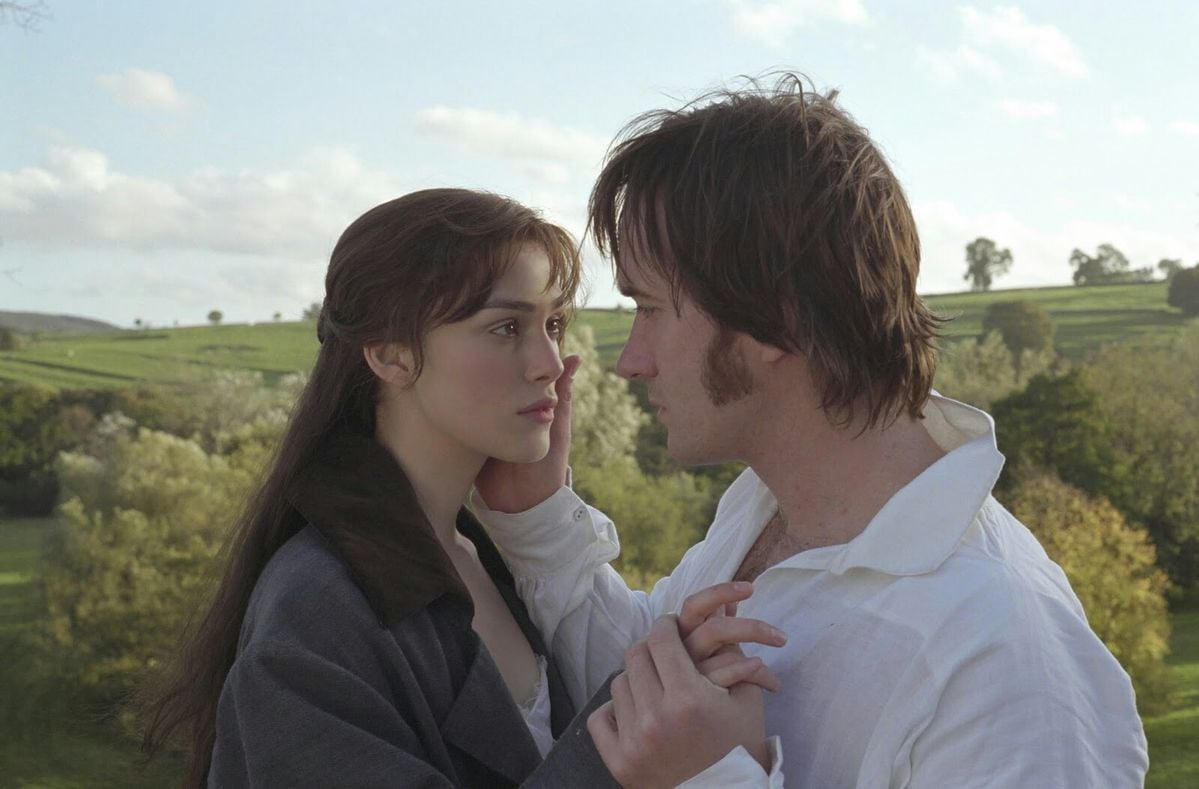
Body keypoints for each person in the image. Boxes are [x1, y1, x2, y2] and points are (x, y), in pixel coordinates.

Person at [472, 76, 1150, 787]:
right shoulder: (767, 507)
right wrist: (538, 518)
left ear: (775, 319)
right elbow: (652, 704)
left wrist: (714, 777)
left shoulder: (1004, 660)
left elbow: (681, 754)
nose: (630, 361)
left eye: (650, 309)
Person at [139, 188, 771, 787]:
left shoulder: (483, 560)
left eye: (553, 325)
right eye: (506, 328)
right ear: (390, 355)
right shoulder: (317, 609)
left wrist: (670, 670)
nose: (549, 364)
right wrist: (625, 754)